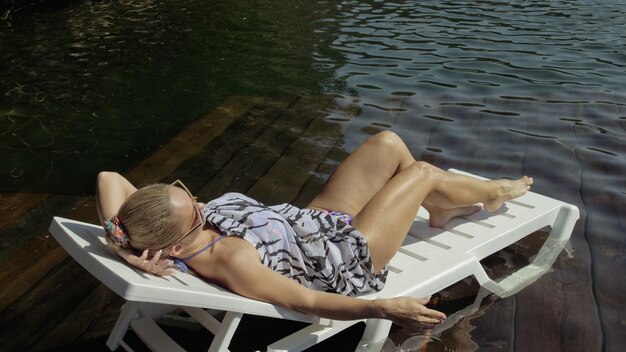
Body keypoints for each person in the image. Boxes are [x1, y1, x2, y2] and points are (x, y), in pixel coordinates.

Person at [96, 131, 532, 328]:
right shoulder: (228, 257)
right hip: (348, 258)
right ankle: (492, 193)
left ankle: (439, 209)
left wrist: (123, 248)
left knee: (387, 144)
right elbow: (306, 300)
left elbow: (108, 177)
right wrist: (381, 308)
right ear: (182, 229)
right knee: (419, 171)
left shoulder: (155, 229)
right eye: (191, 202)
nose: (196, 198)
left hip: (314, 226)